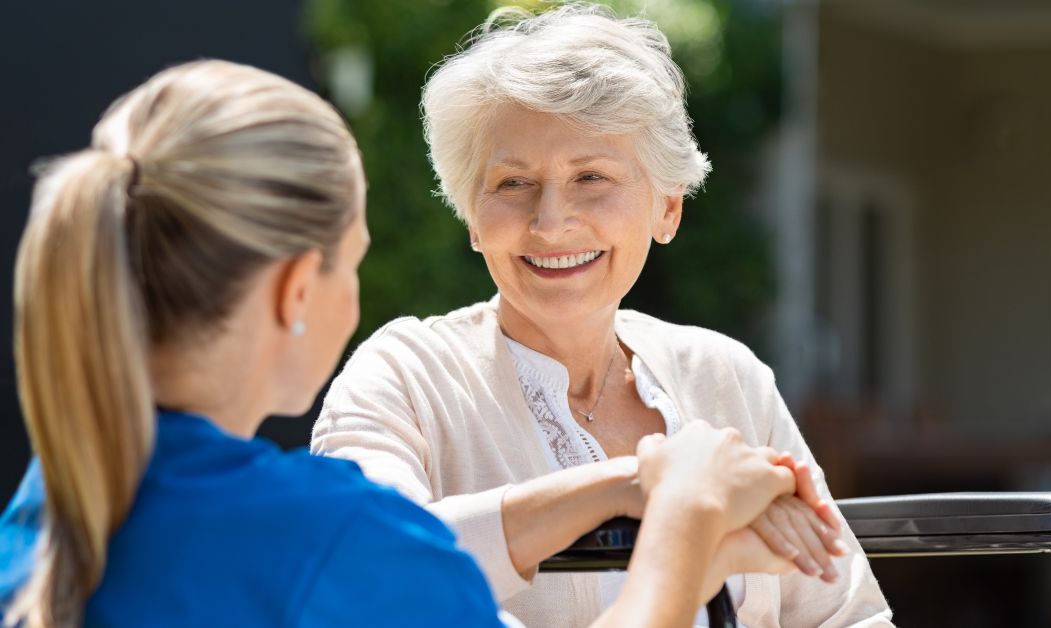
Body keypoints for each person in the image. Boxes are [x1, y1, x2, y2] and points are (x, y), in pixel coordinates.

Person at [0, 59, 808, 627]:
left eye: (592, 177)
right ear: (293, 291)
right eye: (353, 259)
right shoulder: (333, 538)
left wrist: (629, 493)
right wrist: (684, 525)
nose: (551, 217)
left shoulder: (53, 505)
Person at [311, 4, 893, 627]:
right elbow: (360, 564)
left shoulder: (726, 376)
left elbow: (847, 614)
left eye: (591, 176)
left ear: (667, 210)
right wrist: (653, 488)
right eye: (512, 183)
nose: (550, 220)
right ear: (472, 217)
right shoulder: (405, 376)